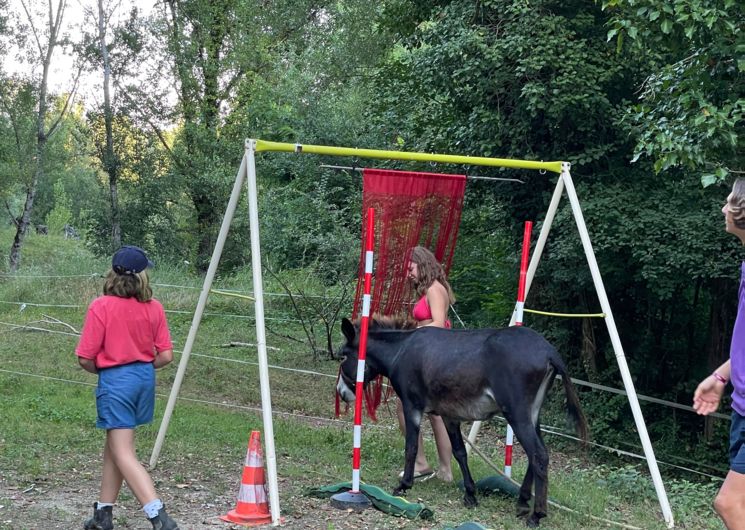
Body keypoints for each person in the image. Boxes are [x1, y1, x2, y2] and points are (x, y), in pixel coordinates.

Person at [76, 245, 179, 530]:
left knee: (123, 453)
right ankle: (102, 515)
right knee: (115, 445)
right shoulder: (154, 307)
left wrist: (110, 369)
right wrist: (139, 366)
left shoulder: (101, 306)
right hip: (144, 380)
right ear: (142, 276)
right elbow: (166, 356)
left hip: (116, 382)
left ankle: (159, 517)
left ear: (113, 274)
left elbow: (85, 357)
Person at [694, 178, 745, 529]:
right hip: (741, 408)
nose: (723, 208)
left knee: (728, 503)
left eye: (730, 202)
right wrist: (721, 376)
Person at [396, 245, 455, 482]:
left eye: (410, 268)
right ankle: (434, 466)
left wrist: (412, 329)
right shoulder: (428, 290)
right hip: (428, 357)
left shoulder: (434, 289)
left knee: (431, 412)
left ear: (422, 264)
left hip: (436, 358)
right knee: (429, 412)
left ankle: (436, 467)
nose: (407, 274)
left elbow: (439, 324)